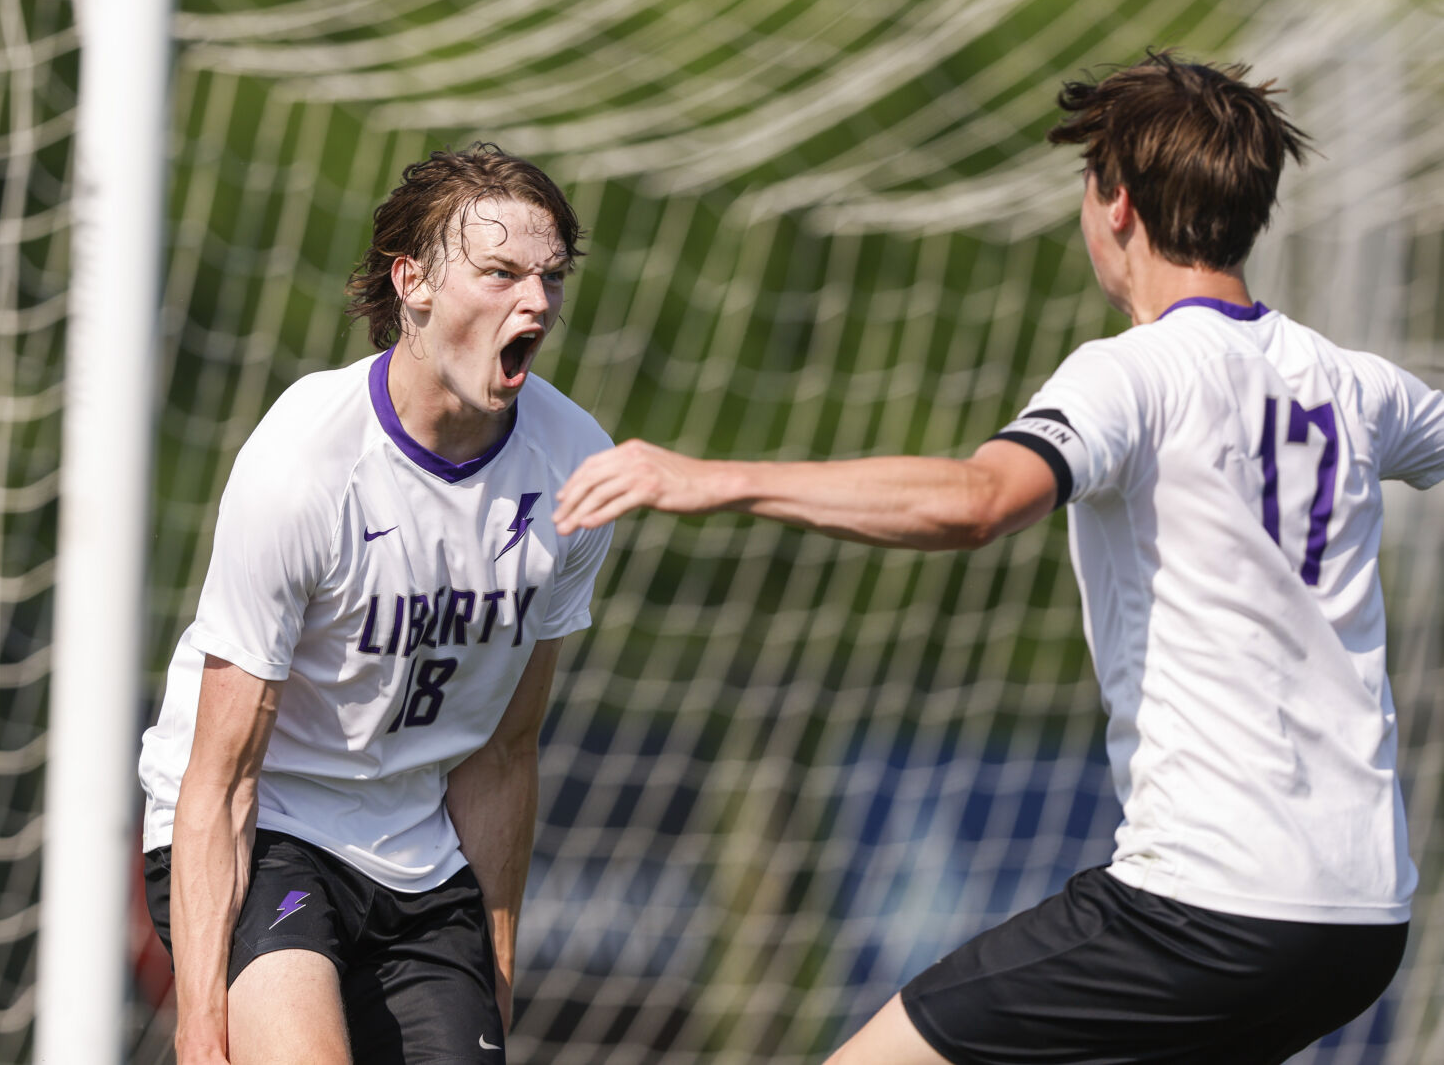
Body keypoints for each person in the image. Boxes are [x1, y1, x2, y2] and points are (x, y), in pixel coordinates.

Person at [552, 52, 1444, 1065]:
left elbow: (977, 502)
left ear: (1115, 205)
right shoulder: (1354, 385)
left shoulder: (1134, 374)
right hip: (1360, 919)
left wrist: (714, 478)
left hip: (1206, 906)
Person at [138, 143, 614, 1065]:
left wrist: (494, 979)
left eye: (549, 278)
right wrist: (200, 1032)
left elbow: (505, 754)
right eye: (500, 272)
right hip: (270, 827)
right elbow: (223, 775)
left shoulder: (572, 471)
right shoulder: (304, 468)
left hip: (418, 848)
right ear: (414, 283)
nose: (536, 304)